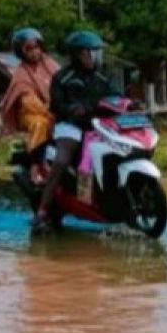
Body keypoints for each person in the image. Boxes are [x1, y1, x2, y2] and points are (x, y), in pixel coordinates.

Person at [32, 31, 113, 233]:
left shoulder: (102, 77)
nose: (95, 57)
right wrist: (72, 109)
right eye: (91, 53)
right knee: (61, 161)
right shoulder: (62, 77)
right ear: (79, 55)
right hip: (70, 126)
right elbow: (56, 105)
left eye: (97, 53)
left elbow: (116, 95)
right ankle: (42, 212)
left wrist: (131, 103)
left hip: (97, 125)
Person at [0, 28, 60, 182]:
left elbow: (63, 81)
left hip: (56, 108)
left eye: (36, 47)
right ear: (22, 52)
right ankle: (36, 167)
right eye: (29, 49)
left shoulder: (50, 64)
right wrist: (51, 111)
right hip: (30, 113)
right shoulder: (21, 73)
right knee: (41, 124)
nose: (34, 52)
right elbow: (29, 102)